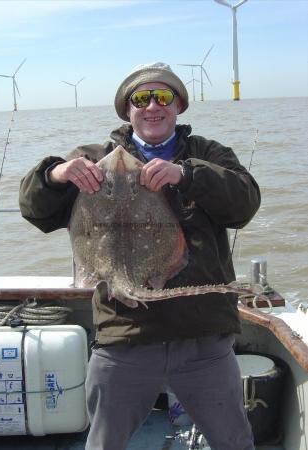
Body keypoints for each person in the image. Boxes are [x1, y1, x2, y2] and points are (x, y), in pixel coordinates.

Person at [19, 62, 260, 450]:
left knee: (234, 442)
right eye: (141, 98)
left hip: (202, 334)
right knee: (104, 443)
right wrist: (56, 174)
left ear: (178, 105)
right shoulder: (92, 158)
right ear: (126, 108)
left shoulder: (207, 154)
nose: (152, 106)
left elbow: (246, 203)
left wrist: (187, 176)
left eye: (162, 96)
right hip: (124, 335)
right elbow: (36, 211)